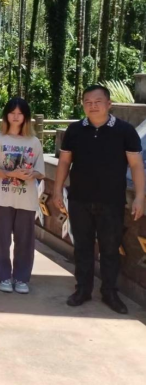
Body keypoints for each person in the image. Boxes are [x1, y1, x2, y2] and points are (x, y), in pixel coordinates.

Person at [54, 84, 145, 315]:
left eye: (98, 101)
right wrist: (56, 190)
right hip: (79, 199)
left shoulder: (125, 131)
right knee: (82, 247)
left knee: (110, 248)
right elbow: (64, 162)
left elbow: (136, 165)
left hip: (111, 201)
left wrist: (140, 197)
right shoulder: (75, 130)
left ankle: (110, 292)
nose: (92, 106)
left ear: (109, 104)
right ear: (83, 105)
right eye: (88, 102)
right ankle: (83, 289)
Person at [0, 97, 45, 294]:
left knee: (25, 241)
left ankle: (21, 278)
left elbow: (40, 171)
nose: (16, 117)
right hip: (1, 198)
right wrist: (11, 174)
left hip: (26, 199)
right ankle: (3, 276)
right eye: (12, 113)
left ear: (26, 117)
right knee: (1, 240)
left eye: (20, 113)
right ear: (6, 115)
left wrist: (30, 174)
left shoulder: (34, 141)